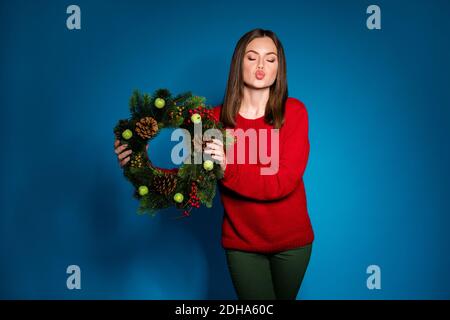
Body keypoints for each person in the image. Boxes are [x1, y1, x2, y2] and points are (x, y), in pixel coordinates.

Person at [114, 28, 314, 300]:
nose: (260, 66)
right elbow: (189, 180)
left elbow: (282, 183)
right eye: (252, 57)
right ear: (238, 64)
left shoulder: (295, 112)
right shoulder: (211, 120)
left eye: (270, 59)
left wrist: (227, 166)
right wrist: (139, 160)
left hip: (293, 245)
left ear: (279, 67)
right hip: (242, 244)